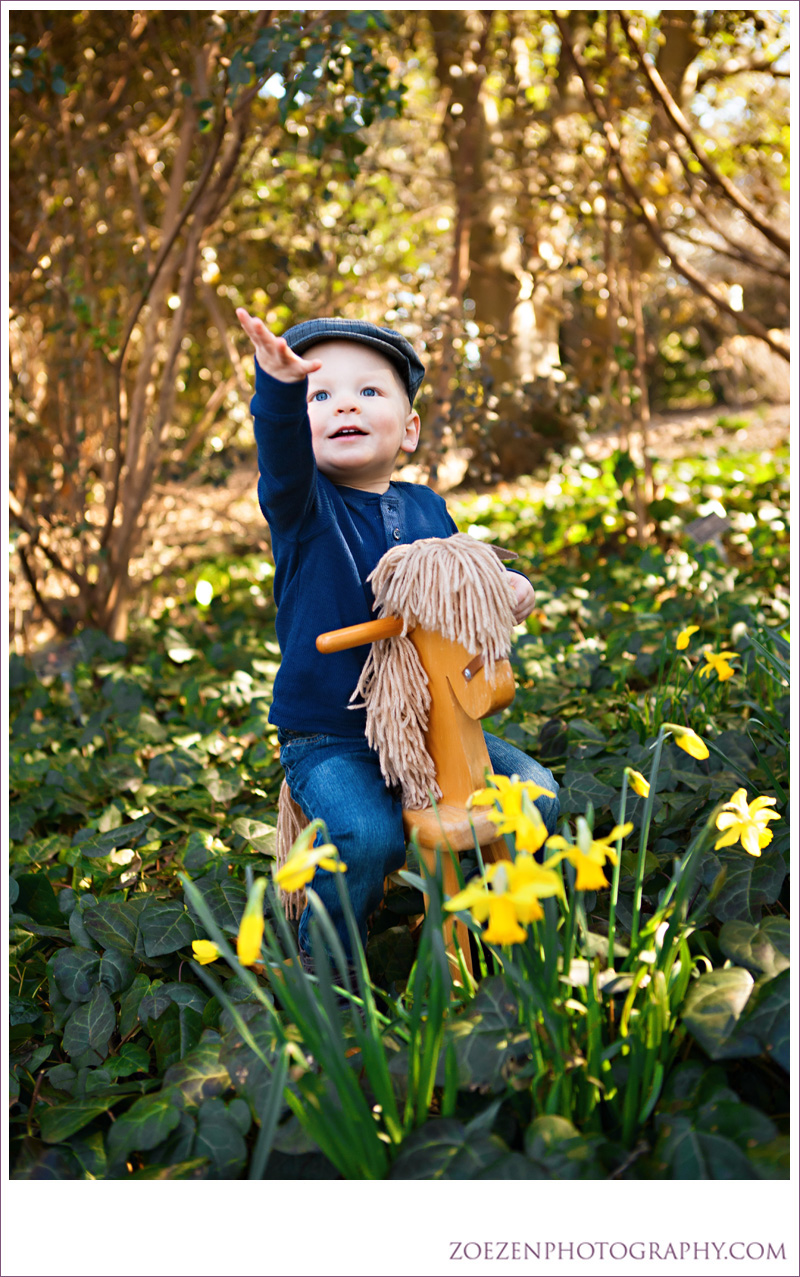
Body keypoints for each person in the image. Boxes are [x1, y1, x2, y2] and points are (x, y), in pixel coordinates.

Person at [235, 311, 560, 967]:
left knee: (533, 791)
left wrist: (507, 587)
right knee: (366, 838)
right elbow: (282, 457)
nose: (343, 404)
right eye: (318, 395)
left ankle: (488, 920)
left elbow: (460, 580)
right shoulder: (305, 508)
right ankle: (326, 973)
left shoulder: (427, 508)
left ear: (408, 430)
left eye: (369, 391)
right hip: (333, 733)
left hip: (432, 727)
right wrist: (276, 389)